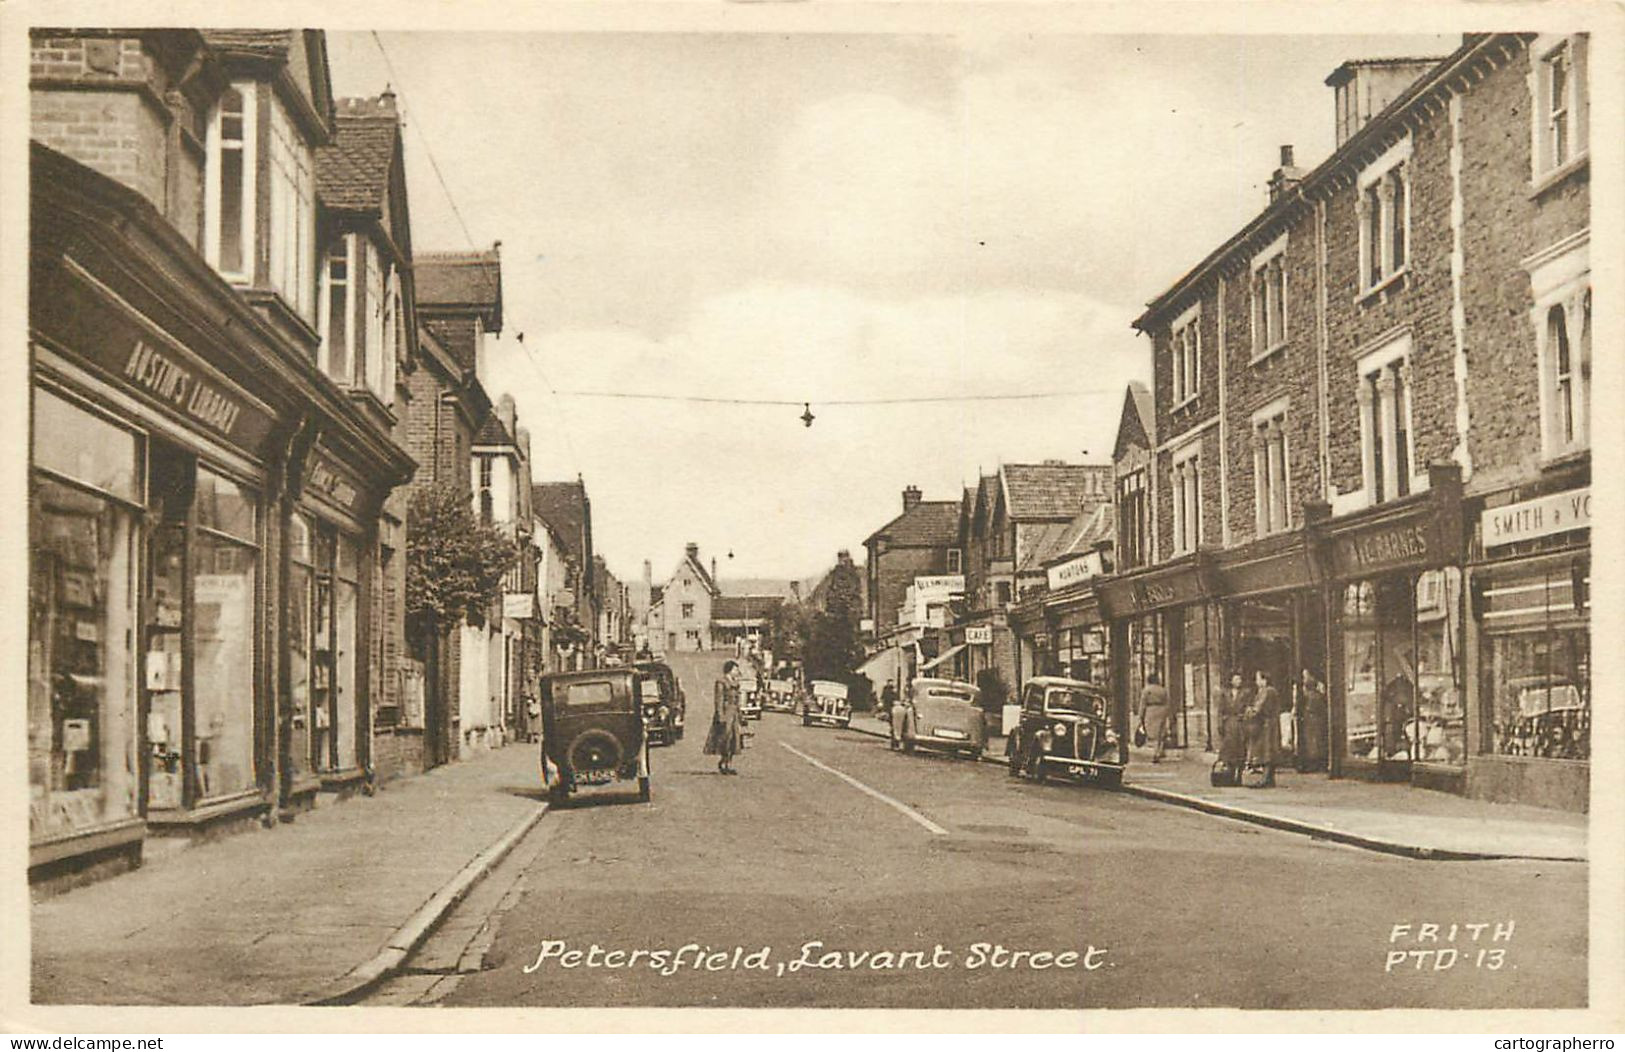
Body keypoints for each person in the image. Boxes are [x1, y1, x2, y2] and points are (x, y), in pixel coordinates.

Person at [704, 659, 745, 774]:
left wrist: (740, 715)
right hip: (725, 714)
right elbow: (719, 699)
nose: (737, 671)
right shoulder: (721, 682)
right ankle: (723, 762)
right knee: (725, 739)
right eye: (735, 669)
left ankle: (728, 763)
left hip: (734, 714)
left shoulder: (735, 683)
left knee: (734, 740)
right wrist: (720, 715)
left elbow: (738, 701)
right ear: (730, 670)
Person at [1245, 669, 1282, 786]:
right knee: (1268, 751)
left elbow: (1258, 708)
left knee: (1267, 751)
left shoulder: (1267, 691)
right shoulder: (1267, 691)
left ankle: (1266, 779)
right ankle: (1269, 779)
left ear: (1264, 680)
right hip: (1269, 724)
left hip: (1267, 725)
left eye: (1258, 679)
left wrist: (1249, 711)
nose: (1256, 682)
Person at [1298, 669, 1329, 771]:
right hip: (1312, 720)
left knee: (1313, 741)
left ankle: (1314, 763)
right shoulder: (1317, 695)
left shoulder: (1312, 696)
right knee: (1314, 741)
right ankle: (1315, 762)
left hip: (1312, 720)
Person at [1217, 671, 1249, 770]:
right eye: (1236, 679)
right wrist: (1220, 723)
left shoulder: (1245, 693)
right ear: (1231, 681)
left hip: (1240, 723)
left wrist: (1244, 718)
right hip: (1229, 723)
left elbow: (1248, 707)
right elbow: (1220, 709)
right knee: (1228, 747)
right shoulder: (1225, 693)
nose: (1238, 681)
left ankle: (1239, 770)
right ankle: (1229, 770)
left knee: (1240, 748)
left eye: (1239, 679)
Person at [1137, 673, 1171, 763]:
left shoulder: (1146, 690)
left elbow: (1142, 704)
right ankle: (1159, 751)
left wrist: (1140, 716)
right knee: (1160, 732)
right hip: (1161, 711)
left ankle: (1155, 753)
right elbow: (1167, 702)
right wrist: (1167, 713)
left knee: (1153, 734)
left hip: (1150, 711)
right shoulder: (1162, 690)